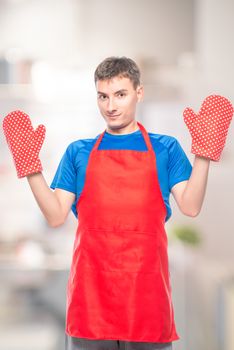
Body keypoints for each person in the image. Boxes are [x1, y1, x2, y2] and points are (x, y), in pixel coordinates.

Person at [2, 56, 233, 350]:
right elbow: (55, 215)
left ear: (139, 92)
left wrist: (203, 156)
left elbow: (191, 205)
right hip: (91, 300)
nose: (110, 106)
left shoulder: (166, 148)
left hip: (147, 299)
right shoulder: (78, 152)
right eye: (103, 96)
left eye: (120, 95)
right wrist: (31, 168)